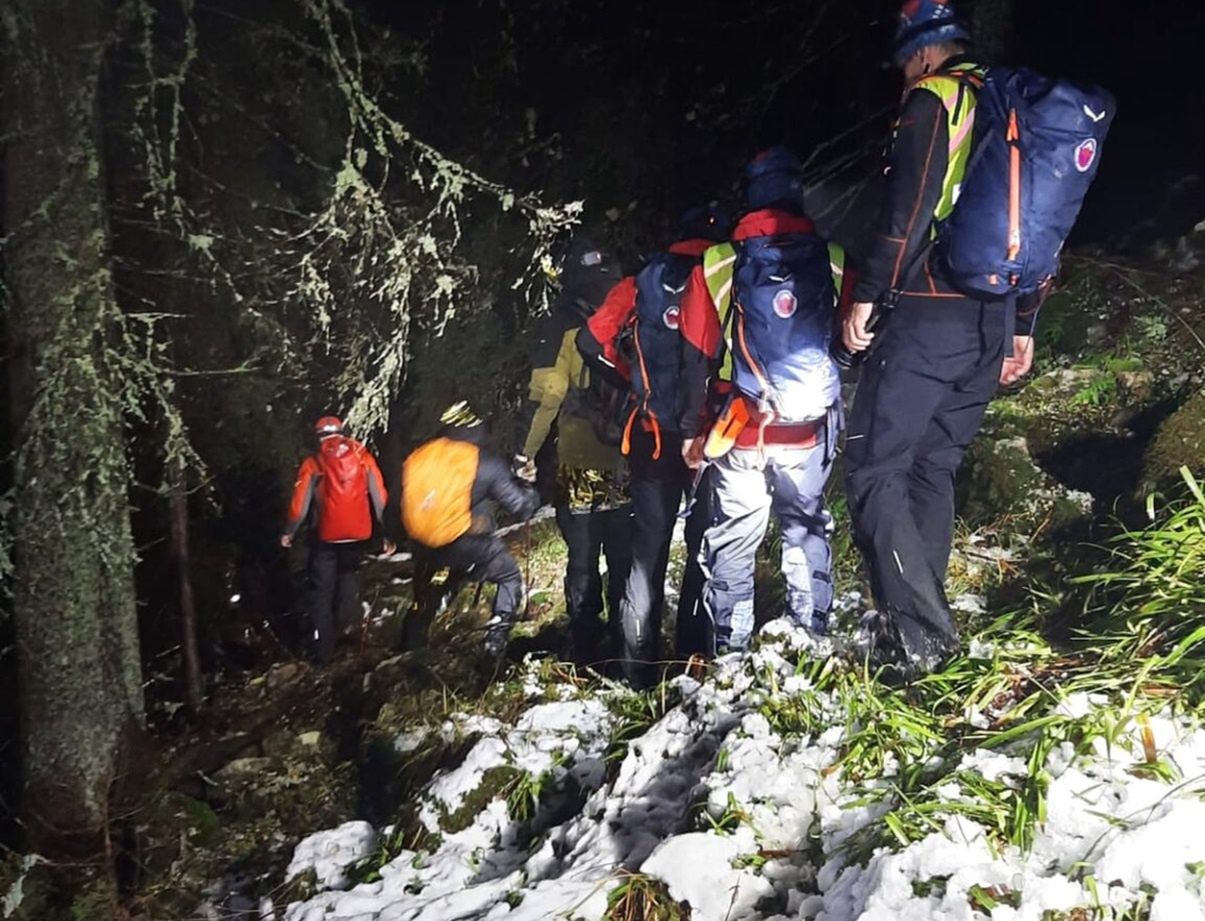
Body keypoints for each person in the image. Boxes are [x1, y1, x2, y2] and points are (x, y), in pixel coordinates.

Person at [840, 0, 1040, 673]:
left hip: (929, 317)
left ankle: (922, 636)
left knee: (874, 470)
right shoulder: (1011, 103)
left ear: (924, 51)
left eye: (905, 61)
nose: (904, 73)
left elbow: (908, 211)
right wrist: (1021, 322)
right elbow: (1040, 223)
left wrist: (868, 296)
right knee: (931, 467)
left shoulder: (936, 100)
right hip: (991, 318)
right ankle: (925, 629)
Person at [678, 148, 853, 656]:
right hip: (808, 428)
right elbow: (851, 341)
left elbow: (695, 354)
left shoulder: (718, 262)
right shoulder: (834, 257)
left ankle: (731, 650)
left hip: (741, 429)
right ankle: (810, 637)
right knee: (805, 526)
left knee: (735, 537)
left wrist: (691, 430)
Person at [577, 205, 730, 687]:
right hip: (711, 437)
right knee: (705, 546)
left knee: (648, 552)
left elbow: (589, 342)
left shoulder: (640, 284)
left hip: (653, 435)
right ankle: (693, 658)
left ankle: (637, 669)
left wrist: (629, 380)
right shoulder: (728, 275)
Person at [516, 235, 634, 665]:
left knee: (582, 557)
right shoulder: (631, 310)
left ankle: (584, 645)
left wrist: (524, 453)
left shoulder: (563, 324)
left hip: (580, 460)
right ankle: (627, 638)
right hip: (628, 456)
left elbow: (547, 397)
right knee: (623, 554)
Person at [400, 402, 539, 661]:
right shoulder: (482, 462)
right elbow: (521, 508)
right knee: (508, 576)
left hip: (421, 544)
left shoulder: (421, 456)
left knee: (445, 575)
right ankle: (495, 642)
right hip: (460, 543)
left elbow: (400, 502)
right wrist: (526, 484)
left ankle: (410, 643)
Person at [281, 416, 393, 664]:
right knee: (349, 580)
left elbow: (299, 505)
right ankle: (350, 637)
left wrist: (289, 531)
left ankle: (322, 653)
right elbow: (380, 497)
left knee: (321, 592)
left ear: (318, 436)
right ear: (342, 432)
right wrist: (388, 532)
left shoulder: (313, 463)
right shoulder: (362, 457)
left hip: (325, 538)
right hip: (356, 535)